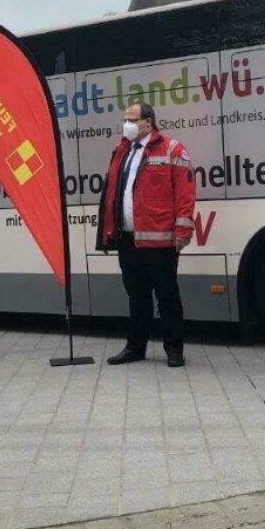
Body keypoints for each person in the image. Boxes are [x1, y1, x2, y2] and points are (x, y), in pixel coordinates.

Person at [95, 102, 196, 368]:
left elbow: (185, 193)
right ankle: (135, 347)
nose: (126, 124)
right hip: (128, 238)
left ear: (148, 123)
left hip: (159, 240)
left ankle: (174, 349)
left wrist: (183, 229)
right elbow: (113, 193)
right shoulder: (122, 150)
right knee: (136, 296)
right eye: (125, 119)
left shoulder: (173, 149)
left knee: (167, 296)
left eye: (132, 119)